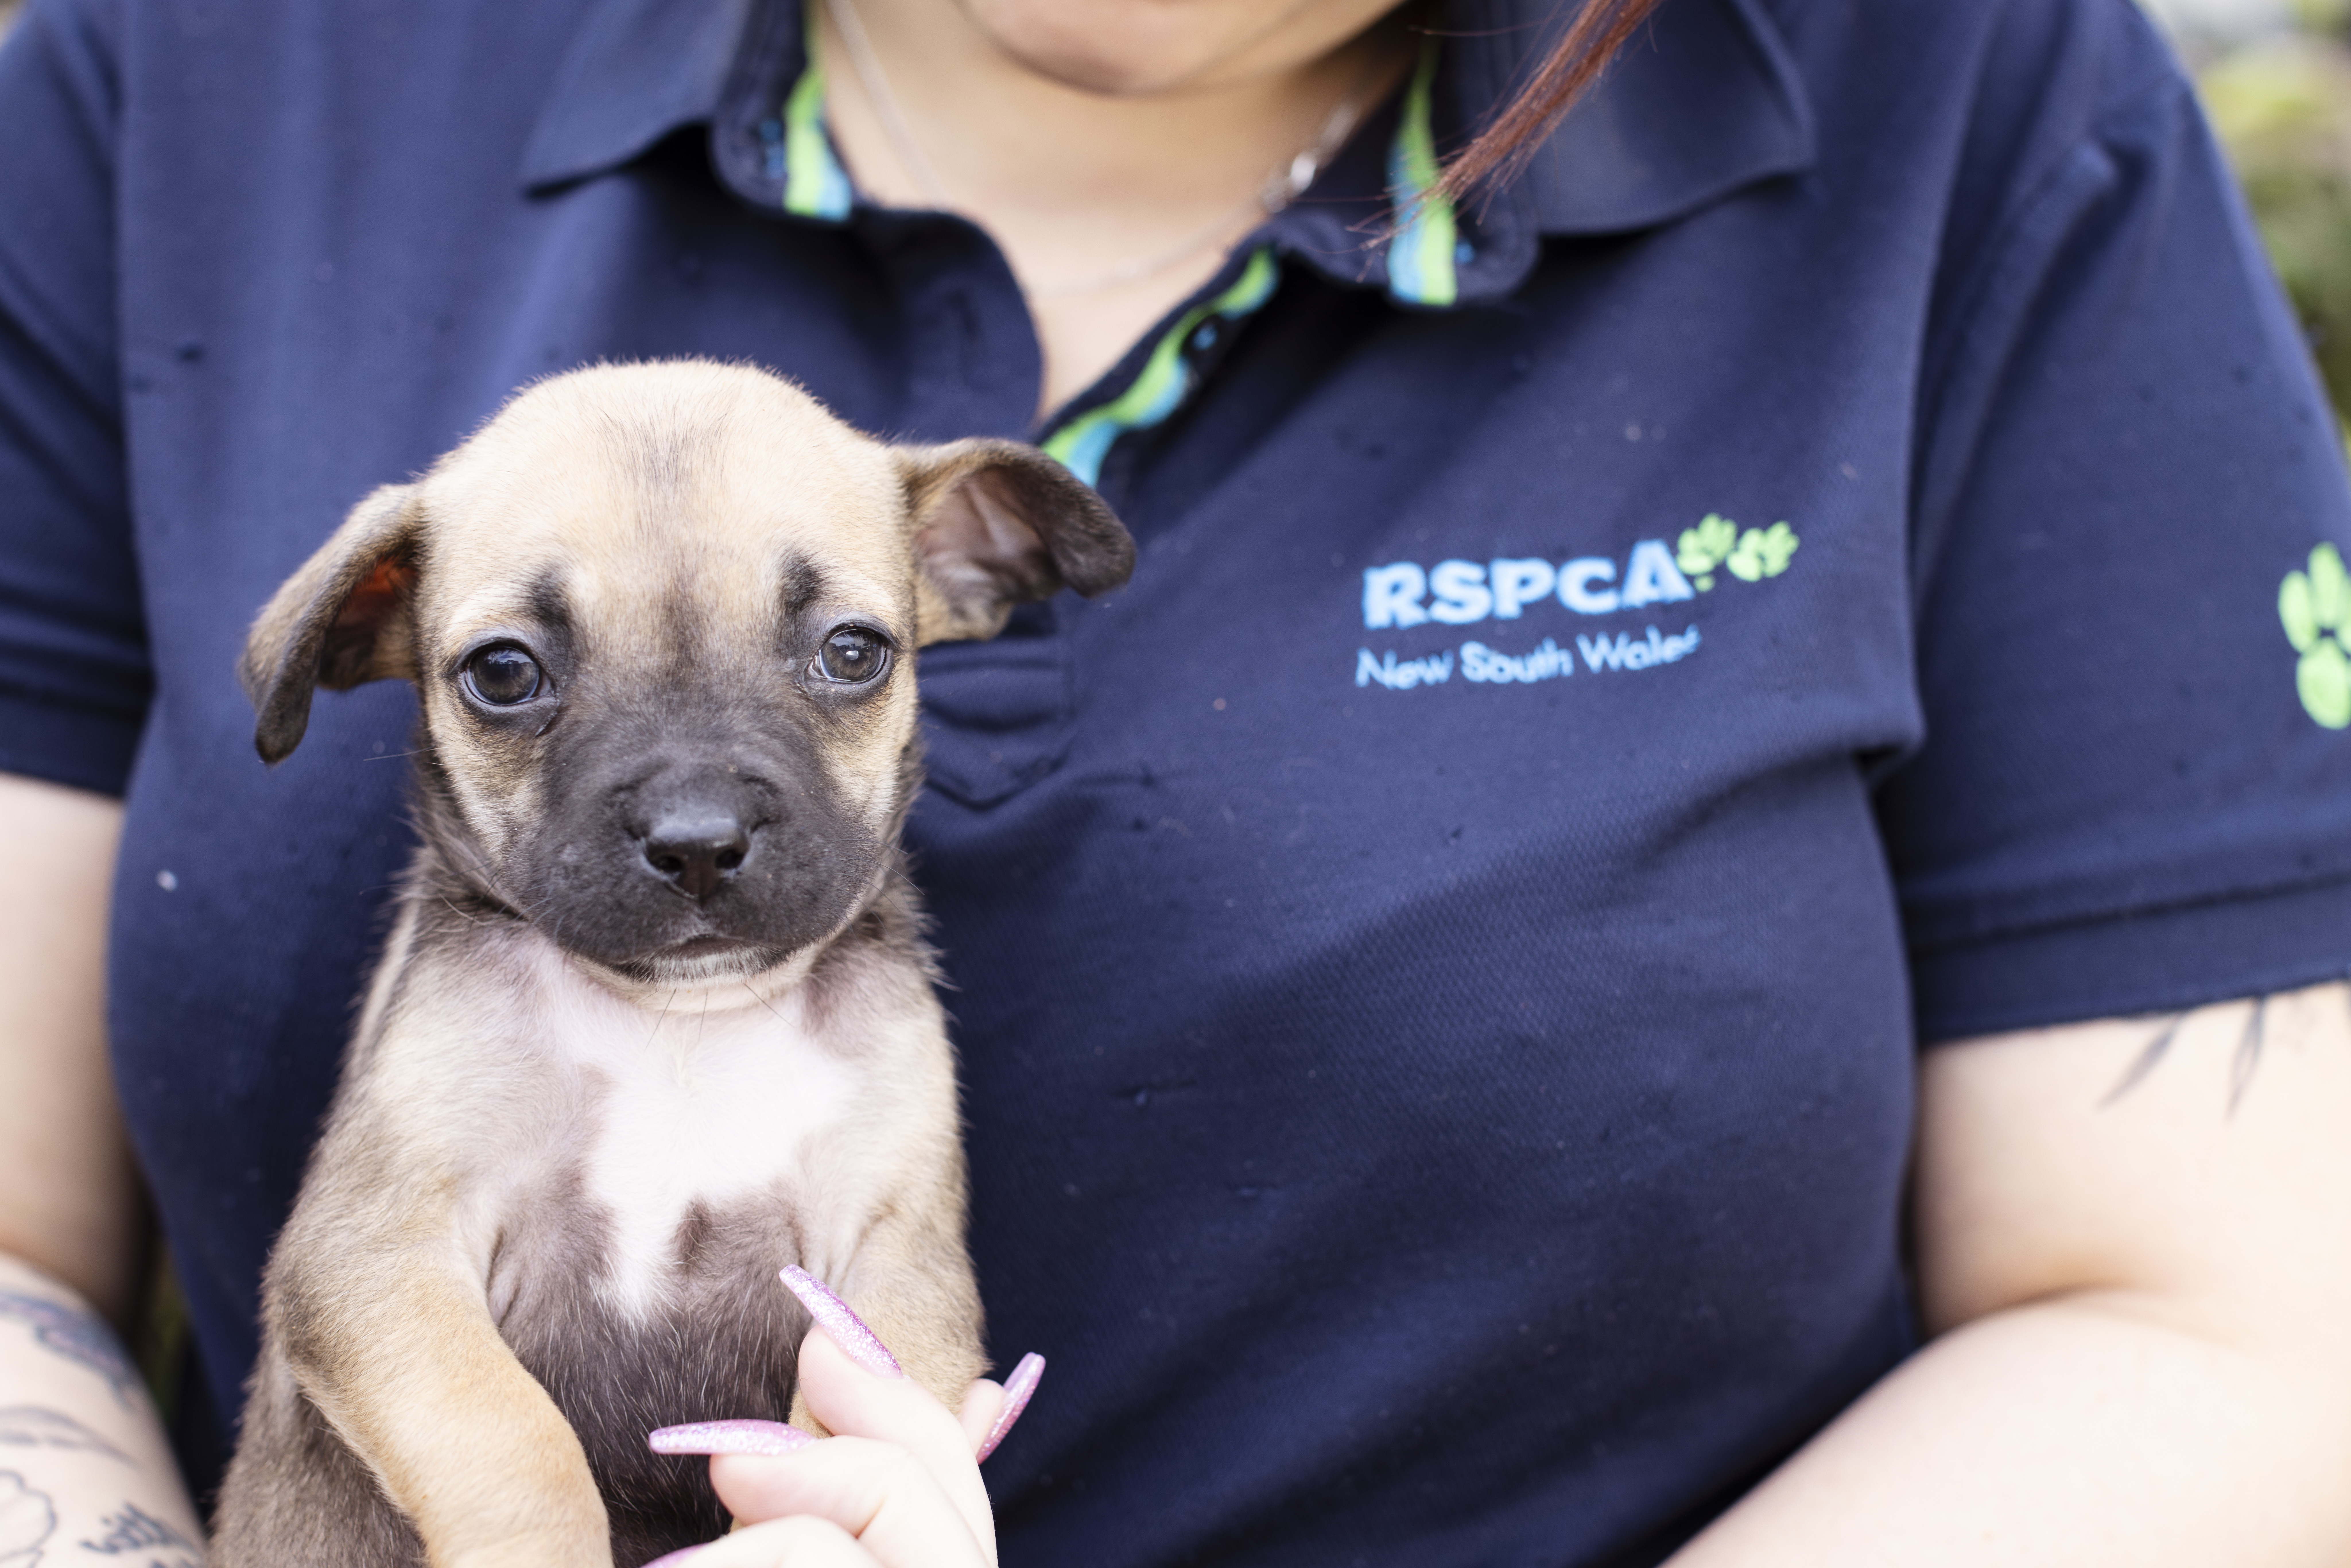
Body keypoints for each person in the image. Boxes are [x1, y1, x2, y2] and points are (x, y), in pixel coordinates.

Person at [4, 0, 2351, 1561]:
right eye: (522, 676)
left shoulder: (1967, 93)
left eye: (831, 656)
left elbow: (2241, 1323)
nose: (702, 814)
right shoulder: (199, 66)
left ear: (958, 573)